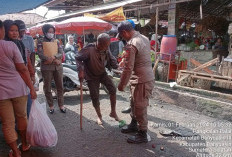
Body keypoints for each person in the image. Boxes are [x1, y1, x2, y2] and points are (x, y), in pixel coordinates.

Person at [0, 20, 37, 157]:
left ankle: (15, 152)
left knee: (7, 123)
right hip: (18, 89)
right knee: (22, 117)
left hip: (1, 93)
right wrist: (31, 88)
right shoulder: (10, 45)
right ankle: (25, 143)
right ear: (2, 30)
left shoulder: (15, 43)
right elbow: (22, 68)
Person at [117, 21, 154, 144]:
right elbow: (139, 58)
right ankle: (133, 124)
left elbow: (128, 68)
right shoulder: (144, 38)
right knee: (134, 103)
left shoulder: (132, 44)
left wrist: (121, 84)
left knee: (140, 106)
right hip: (143, 78)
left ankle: (142, 133)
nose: (122, 38)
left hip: (141, 80)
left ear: (125, 32)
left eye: (122, 36)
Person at [75, 33, 120, 125]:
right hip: (91, 76)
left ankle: (113, 112)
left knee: (112, 89)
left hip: (102, 73)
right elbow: (78, 58)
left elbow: (111, 59)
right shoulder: (89, 49)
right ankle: (99, 115)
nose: (107, 47)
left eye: (108, 45)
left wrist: (118, 67)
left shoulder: (105, 48)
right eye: (105, 45)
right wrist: (81, 70)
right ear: (99, 43)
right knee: (95, 97)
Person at [37, 24, 66, 114]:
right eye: (49, 32)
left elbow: (61, 52)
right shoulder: (40, 41)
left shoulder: (56, 41)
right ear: (45, 32)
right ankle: (51, 106)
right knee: (47, 87)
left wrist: (53, 57)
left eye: (52, 32)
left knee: (60, 86)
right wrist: (47, 59)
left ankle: (61, 105)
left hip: (57, 67)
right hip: (46, 68)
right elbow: (40, 53)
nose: (51, 33)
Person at [14, 20, 35, 117]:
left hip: (25, 76)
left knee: (27, 105)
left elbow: (29, 60)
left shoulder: (26, 42)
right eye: (19, 30)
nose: (21, 32)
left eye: (23, 30)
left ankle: (27, 125)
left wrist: (32, 74)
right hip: (16, 79)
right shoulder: (8, 44)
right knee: (20, 109)